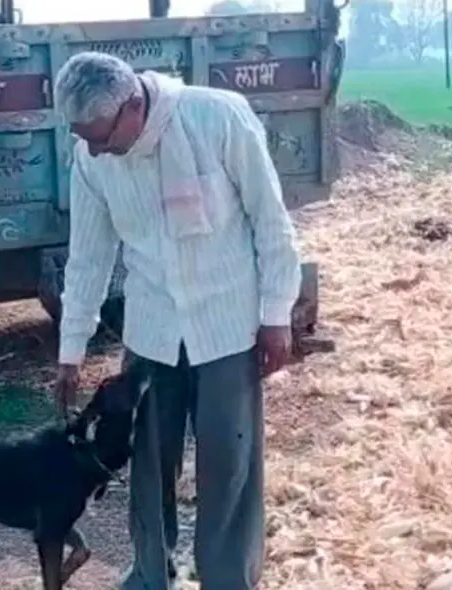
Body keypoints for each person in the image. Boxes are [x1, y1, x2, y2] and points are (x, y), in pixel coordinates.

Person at [51, 52, 302, 589]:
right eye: (83, 137)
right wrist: (71, 347)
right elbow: (89, 256)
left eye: (100, 136)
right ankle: (149, 574)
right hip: (152, 331)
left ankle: (228, 577)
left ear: (134, 106)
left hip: (227, 325)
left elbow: (270, 218)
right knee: (147, 463)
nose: (93, 148)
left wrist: (276, 314)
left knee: (229, 466)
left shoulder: (217, 118)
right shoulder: (92, 159)